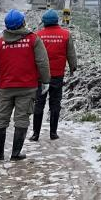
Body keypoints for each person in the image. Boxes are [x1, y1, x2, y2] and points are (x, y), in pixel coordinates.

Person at [0, 9, 50, 161]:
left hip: (5, 88)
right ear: (23, 23)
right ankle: (15, 153)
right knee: (22, 119)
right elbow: (42, 62)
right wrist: (46, 80)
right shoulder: (34, 40)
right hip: (27, 88)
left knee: (1, 118)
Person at [31, 8, 76, 142]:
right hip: (57, 75)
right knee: (55, 103)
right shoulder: (66, 35)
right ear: (57, 21)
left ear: (44, 22)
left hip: (40, 77)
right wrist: (73, 68)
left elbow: (32, 56)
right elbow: (71, 54)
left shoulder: (37, 35)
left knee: (39, 103)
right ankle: (53, 133)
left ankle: (35, 134)